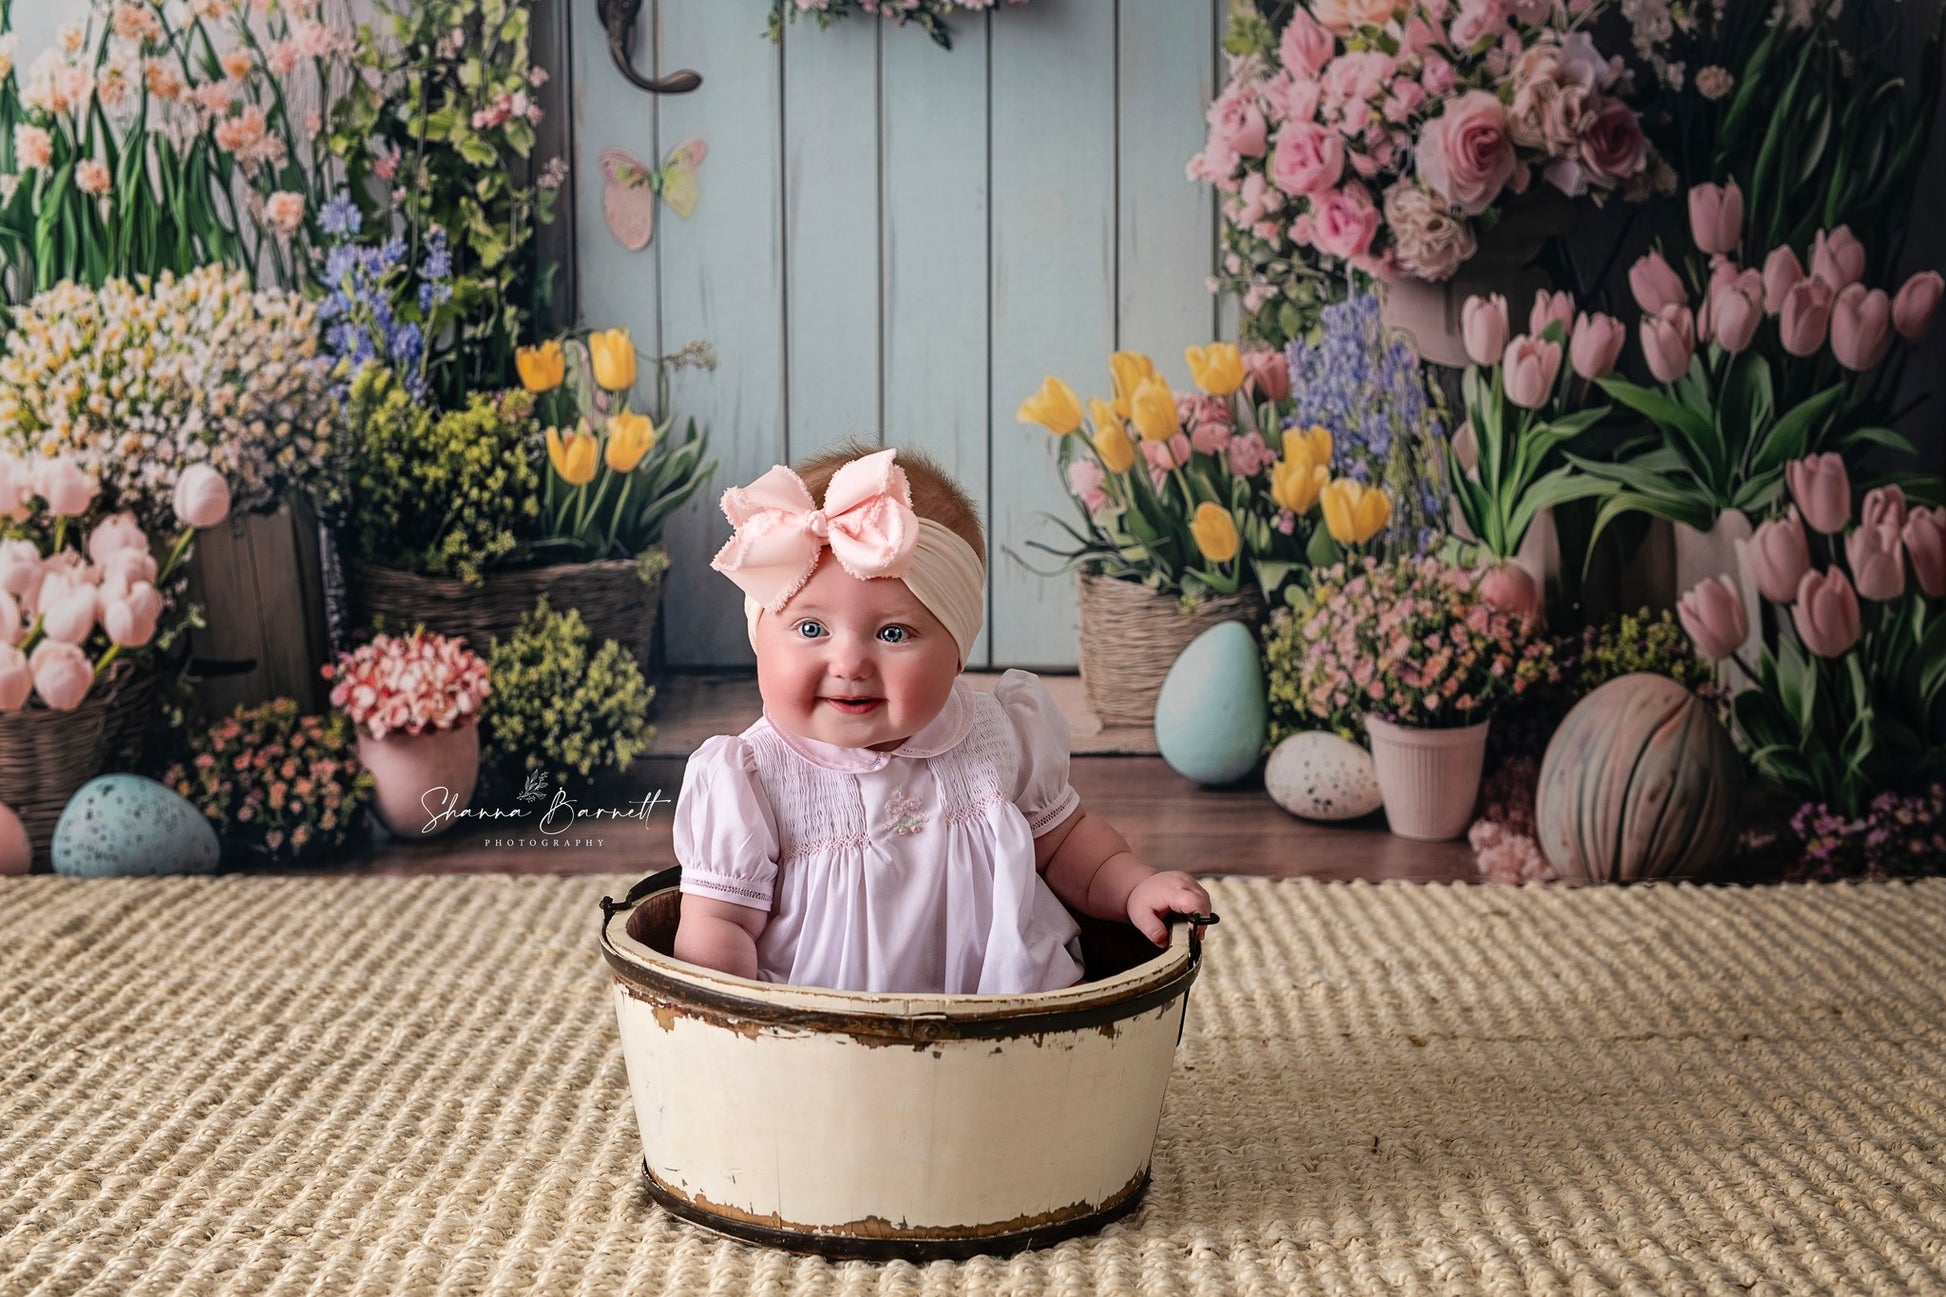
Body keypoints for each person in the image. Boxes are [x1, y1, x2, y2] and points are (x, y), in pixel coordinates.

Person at [671, 443, 1213, 994]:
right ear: (760, 638)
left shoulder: (998, 735)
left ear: (957, 652)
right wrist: (725, 1018)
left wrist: (1134, 887)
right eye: (812, 629)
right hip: (822, 1026)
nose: (850, 664)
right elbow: (719, 923)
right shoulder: (752, 777)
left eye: (893, 633)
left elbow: (1068, 845)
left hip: (1004, 1014)